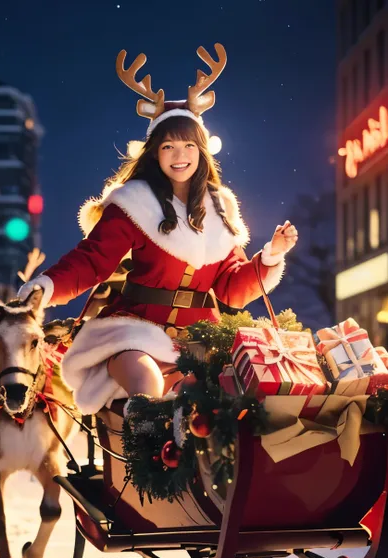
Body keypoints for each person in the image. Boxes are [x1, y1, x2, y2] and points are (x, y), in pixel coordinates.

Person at [19, 44, 298, 416]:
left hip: (200, 339)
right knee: (144, 376)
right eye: (168, 146)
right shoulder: (133, 204)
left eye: (187, 145)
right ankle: (146, 430)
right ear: (154, 153)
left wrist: (272, 256)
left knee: (225, 394)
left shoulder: (220, 209)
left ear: (201, 151)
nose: (179, 155)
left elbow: (231, 286)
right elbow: (92, 261)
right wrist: (47, 286)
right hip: (137, 330)